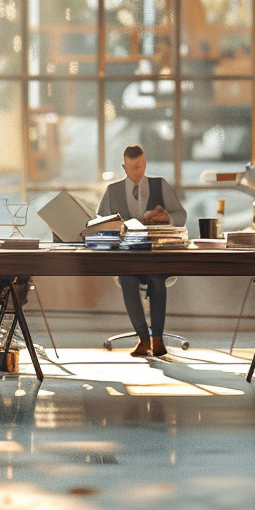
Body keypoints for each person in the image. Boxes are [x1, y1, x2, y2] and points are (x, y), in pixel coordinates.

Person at [96, 144, 187, 357]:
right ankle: (143, 338)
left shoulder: (160, 185)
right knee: (127, 280)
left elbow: (181, 216)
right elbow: (101, 221)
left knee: (156, 279)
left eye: (142, 165)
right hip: (128, 257)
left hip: (156, 256)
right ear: (124, 167)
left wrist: (167, 218)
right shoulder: (113, 190)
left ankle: (158, 340)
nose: (139, 170)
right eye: (133, 167)